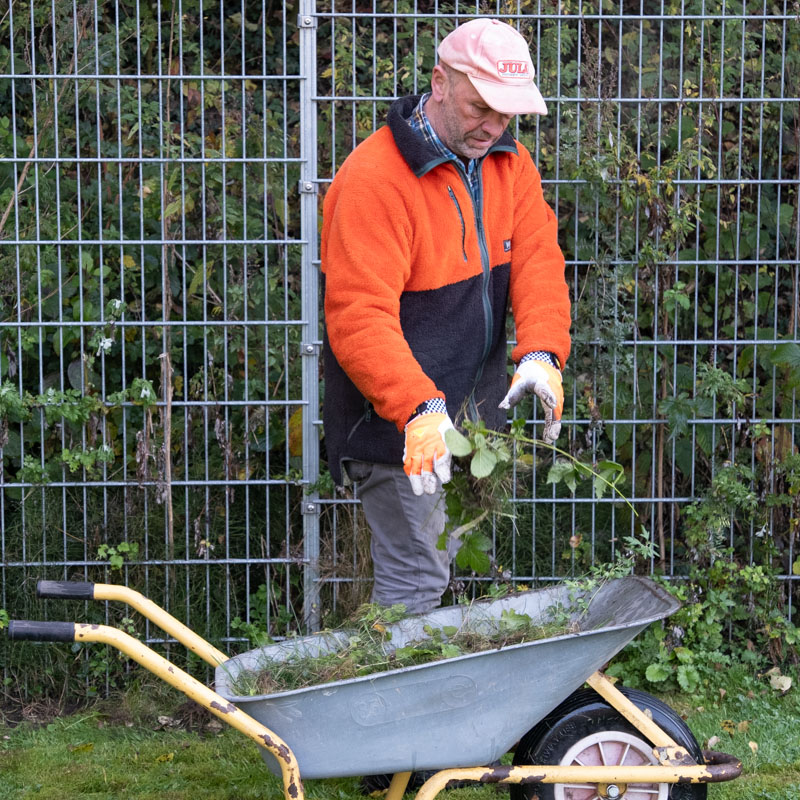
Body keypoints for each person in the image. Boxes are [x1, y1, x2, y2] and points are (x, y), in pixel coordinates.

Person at [321, 18, 571, 616]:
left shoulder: (508, 162)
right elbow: (358, 315)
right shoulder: (374, 180)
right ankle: (381, 706)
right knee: (415, 585)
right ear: (439, 82)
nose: (494, 126)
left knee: (434, 574)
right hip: (397, 429)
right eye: (481, 107)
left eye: (508, 113)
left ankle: (401, 698)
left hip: (470, 417)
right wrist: (417, 407)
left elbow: (537, 257)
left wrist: (540, 350)